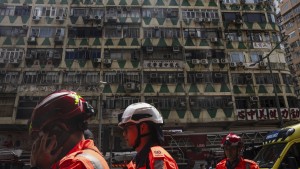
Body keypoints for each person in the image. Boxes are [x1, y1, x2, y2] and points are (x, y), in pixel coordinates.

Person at [28, 90, 109, 169]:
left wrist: (39, 167)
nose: (37, 146)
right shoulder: (89, 155)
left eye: (41, 137)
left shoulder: (76, 163)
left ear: (57, 130)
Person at [118, 102, 178, 169]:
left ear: (143, 128)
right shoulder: (138, 162)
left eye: (127, 128)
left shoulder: (157, 159)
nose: (124, 134)